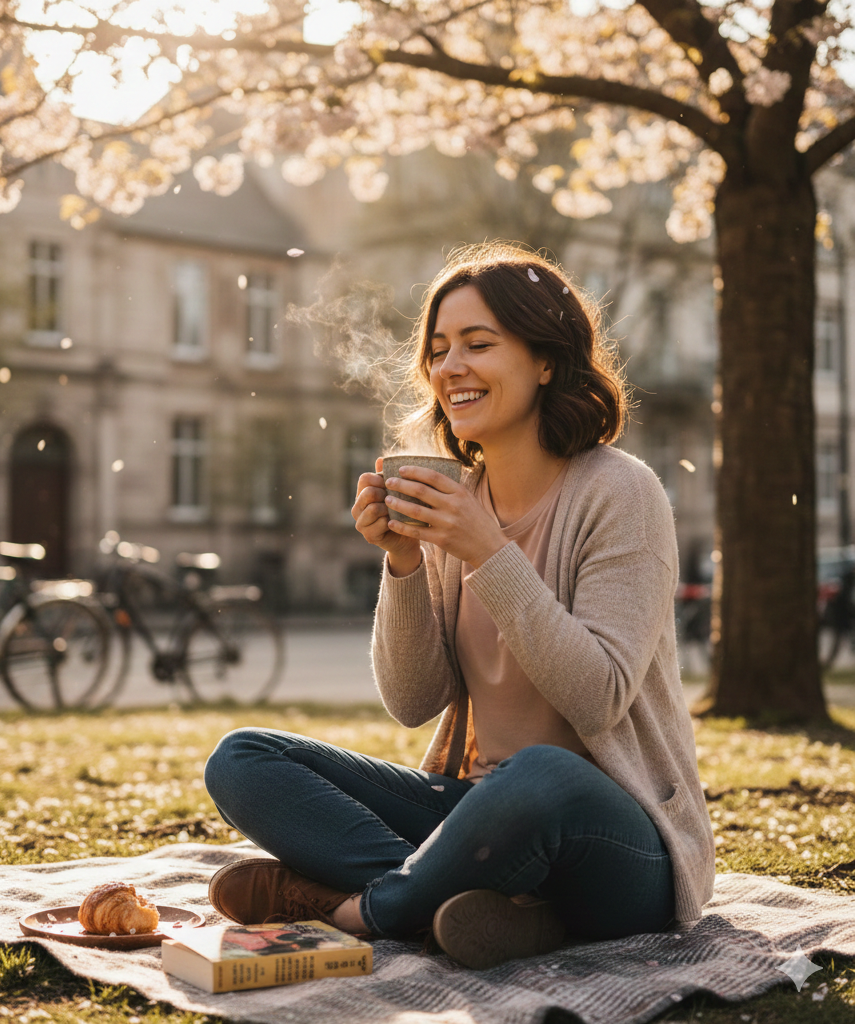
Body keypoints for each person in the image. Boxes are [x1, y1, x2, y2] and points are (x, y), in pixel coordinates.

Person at [204, 243, 715, 969]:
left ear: (546, 361)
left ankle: (365, 908)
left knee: (543, 775)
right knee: (243, 758)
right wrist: (405, 563)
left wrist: (488, 553)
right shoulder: (456, 501)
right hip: (478, 820)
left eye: (479, 344)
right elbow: (413, 702)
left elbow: (597, 698)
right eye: (438, 350)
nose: (450, 368)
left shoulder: (620, 493)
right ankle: (486, 906)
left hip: (618, 842)